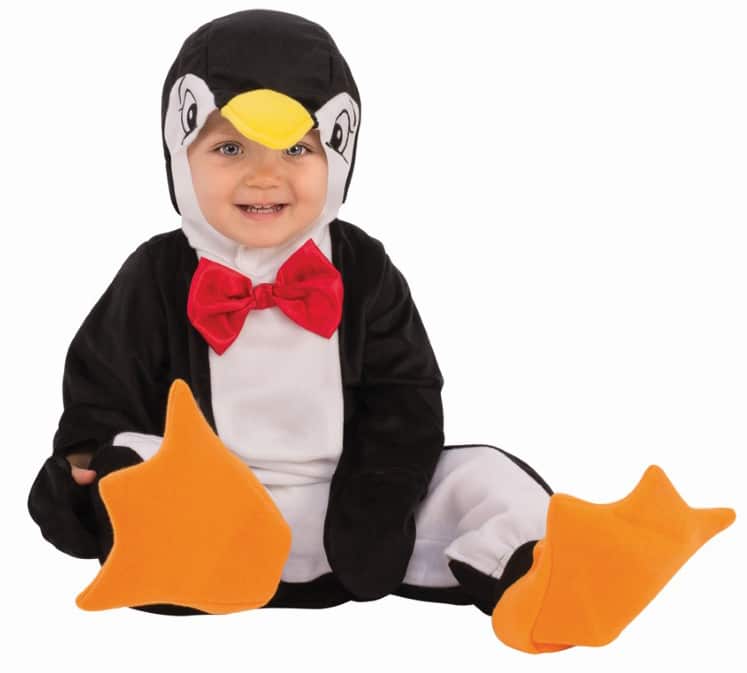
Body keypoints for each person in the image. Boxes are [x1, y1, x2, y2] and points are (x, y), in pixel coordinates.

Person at [27, 8, 735, 654]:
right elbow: (103, 379)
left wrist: (375, 502)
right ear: (180, 150)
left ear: (339, 150)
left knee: (480, 473)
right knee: (133, 458)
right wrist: (88, 451)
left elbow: (407, 393)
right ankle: (193, 561)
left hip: (355, 509)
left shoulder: (362, 268)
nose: (266, 176)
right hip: (212, 507)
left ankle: (549, 576)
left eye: (297, 150)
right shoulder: (156, 273)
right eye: (230, 150)